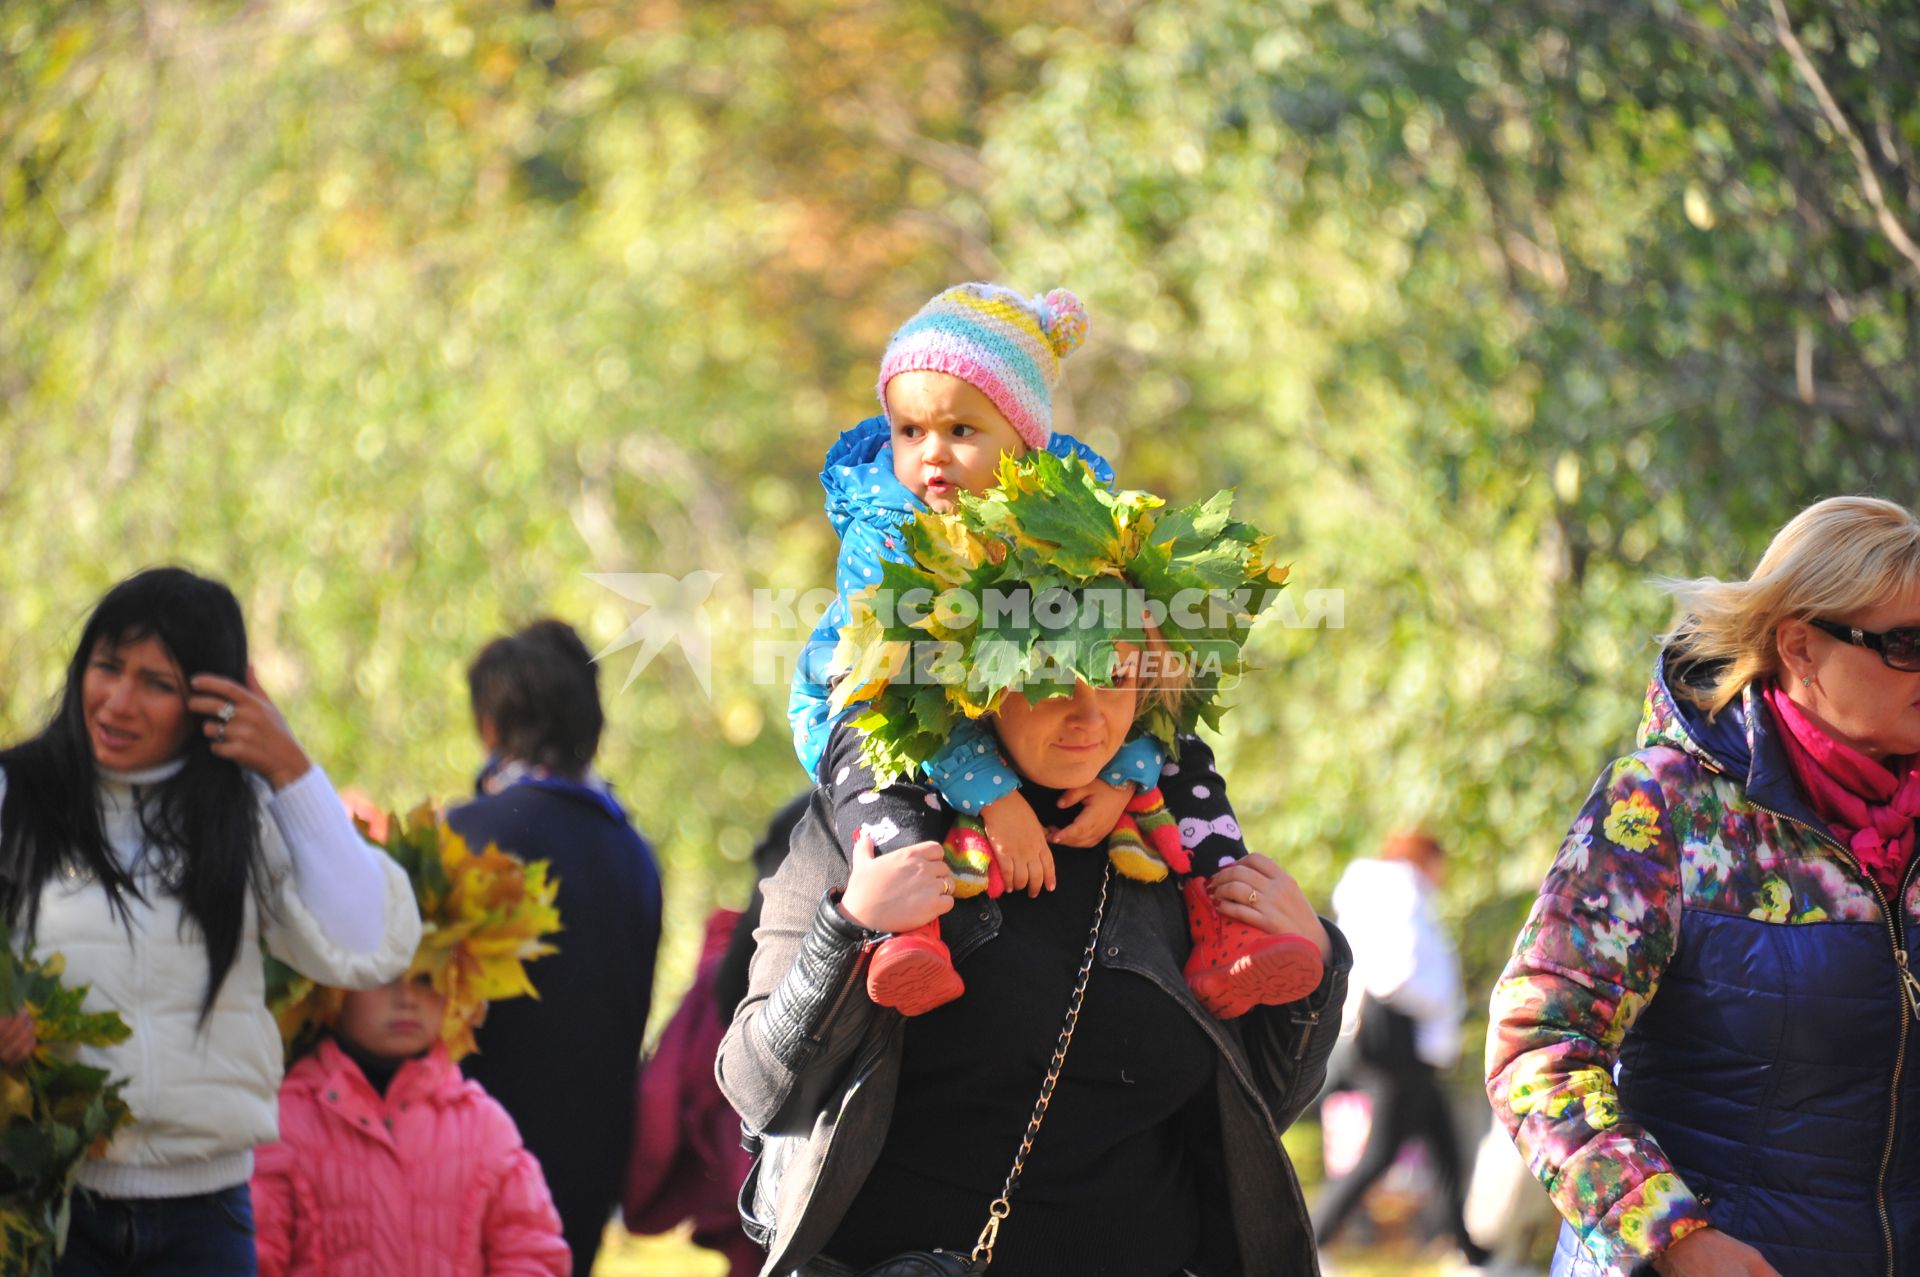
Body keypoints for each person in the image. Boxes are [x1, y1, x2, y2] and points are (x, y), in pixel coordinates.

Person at [719, 456, 1351, 1276]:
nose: (1091, 714)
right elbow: (759, 1089)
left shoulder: (1169, 845)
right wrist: (850, 929)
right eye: (1055, 677)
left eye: (1119, 678)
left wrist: (1317, 976)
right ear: (983, 683)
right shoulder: (873, 826)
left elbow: (1254, 1113)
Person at [786, 281, 1321, 1020]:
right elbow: (911, 685)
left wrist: (1127, 771)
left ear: (1022, 438)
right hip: (883, 702)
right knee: (882, 769)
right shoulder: (888, 529)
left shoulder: (1068, 521)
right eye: (910, 431)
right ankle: (908, 932)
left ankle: (1224, 911)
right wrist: (994, 795)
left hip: (1013, 711)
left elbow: (1124, 666)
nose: (931, 454)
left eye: (961, 431)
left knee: (1180, 748)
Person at [1486, 495, 1920, 1277]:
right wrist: (1675, 1240)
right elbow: (1537, 1049)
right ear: (1802, 647)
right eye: (1907, 644)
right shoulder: (1664, 805)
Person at [0, 567, 421, 1276]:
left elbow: (366, 943)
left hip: (208, 1216)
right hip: (46, 1207)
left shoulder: (247, 814)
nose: (118, 701)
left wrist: (292, 771)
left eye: (157, 683)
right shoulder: (18, 796)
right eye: (107, 667)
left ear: (212, 698)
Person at [252, 808, 570, 1277]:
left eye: (428, 979)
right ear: (330, 981)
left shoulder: (484, 1130)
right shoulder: (284, 1122)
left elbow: (531, 1255)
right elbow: (254, 1255)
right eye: (384, 976)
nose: (406, 998)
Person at [447, 619, 663, 1276]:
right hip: (586, 1174)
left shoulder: (469, 836)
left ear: (491, 725)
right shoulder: (633, 852)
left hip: (469, 1169)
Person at [1312, 831, 1486, 1267]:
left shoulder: (1375, 893)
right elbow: (1400, 972)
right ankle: (1309, 1239)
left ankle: (1469, 1252)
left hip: (1402, 1046)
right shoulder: (1402, 892)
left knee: (1445, 1149)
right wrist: (1441, 1003)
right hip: (1399, 1044)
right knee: (1380, 1154)